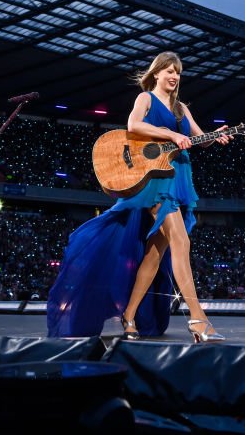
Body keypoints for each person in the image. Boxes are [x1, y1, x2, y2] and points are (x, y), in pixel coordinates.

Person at [47, 51, 230, 342]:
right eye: (168, 70)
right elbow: (133, 126)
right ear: (156, 73)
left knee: (155, 254)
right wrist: (170, 135)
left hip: (178, 179)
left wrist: (215, 135)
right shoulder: (146, 99)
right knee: (181, 242)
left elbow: (198, 139)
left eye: (178, 73)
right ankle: (198, 319)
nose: (174, 76)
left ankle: (129, 314)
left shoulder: (182, 108)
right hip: (155, 183)